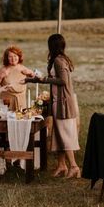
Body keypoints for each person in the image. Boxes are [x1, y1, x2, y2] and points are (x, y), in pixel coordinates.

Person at [25, 33, 81, 178]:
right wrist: (34, 80)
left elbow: (63, 81)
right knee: (58, 134)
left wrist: (44, 79)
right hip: (58, 102)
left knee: (65, 134)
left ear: (52, 46)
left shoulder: (58, 60)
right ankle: (61, 165)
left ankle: (74, 166)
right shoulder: (61, 59)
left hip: (63, 104)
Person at [0, 45, 35, 111]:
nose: (13, 59)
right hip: (7, 103)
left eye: (15, 56)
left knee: (21, 119)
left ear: (19, 57)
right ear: (7, 58)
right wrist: (0, 77)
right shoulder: (4, 69)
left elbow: (37, 78)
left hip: (21, 102)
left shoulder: (23, 68)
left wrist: (31, 73)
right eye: (10, 57)